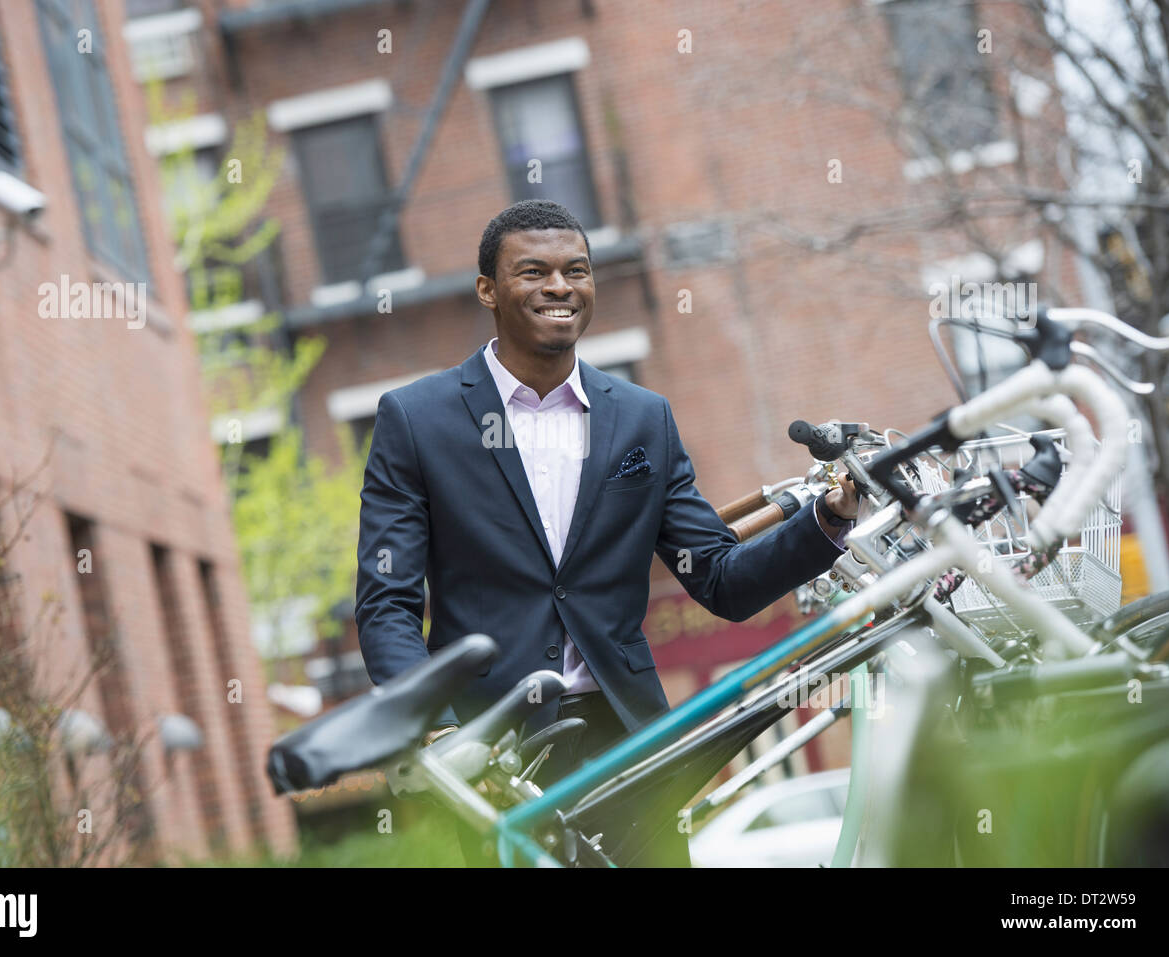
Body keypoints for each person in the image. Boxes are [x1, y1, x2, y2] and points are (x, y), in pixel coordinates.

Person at [355, 199, 858, 866]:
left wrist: (828, 521)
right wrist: (433, 733)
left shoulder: (643, 418)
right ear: (487, 290)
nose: (560, 287)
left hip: (629, 742)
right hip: (494, 751)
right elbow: (386, 601)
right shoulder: (417, 420)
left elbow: (718, 578)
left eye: (577, 270)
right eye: (533, 271)